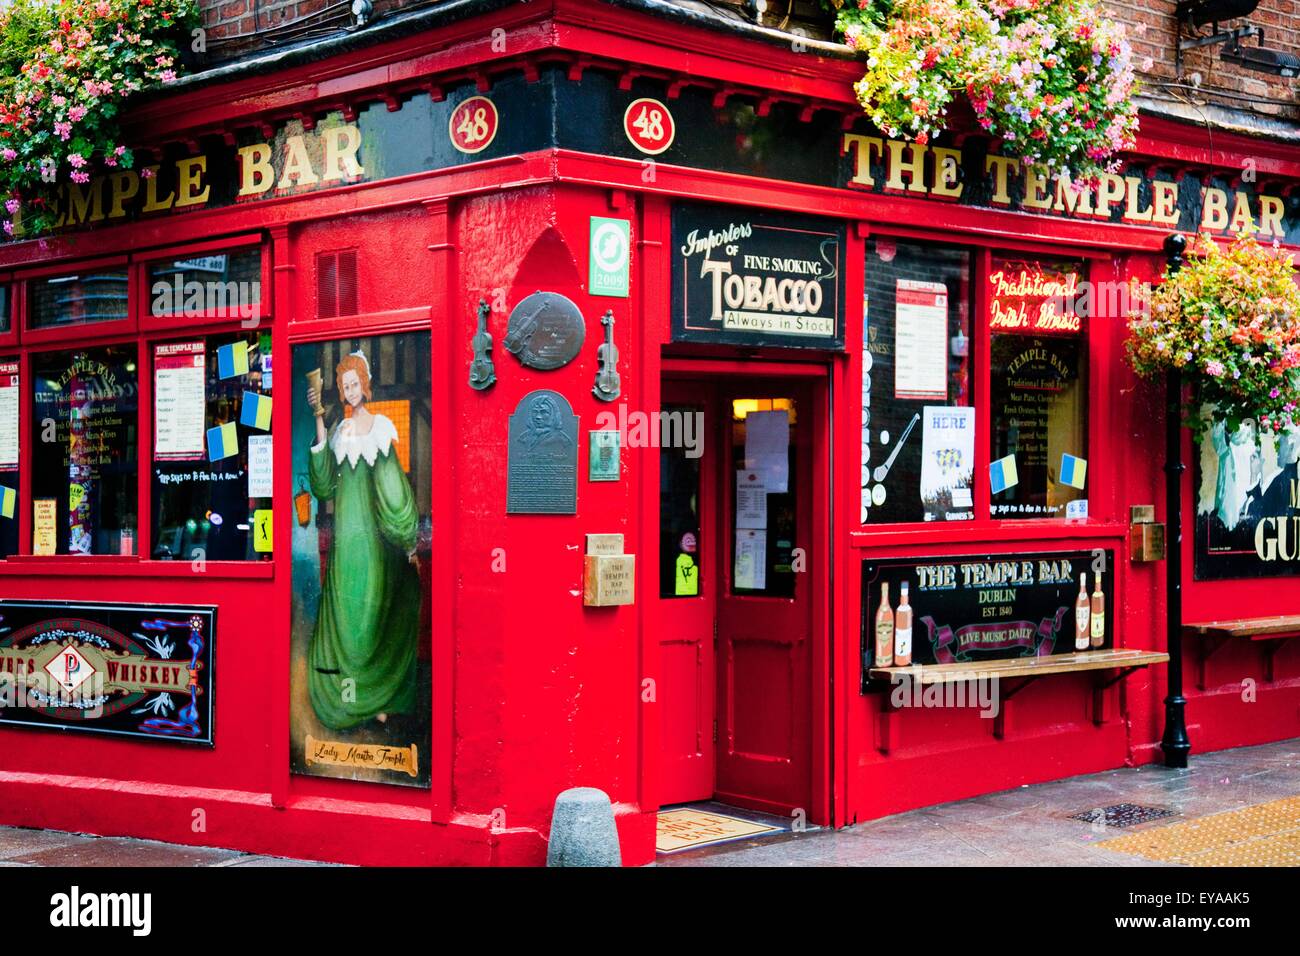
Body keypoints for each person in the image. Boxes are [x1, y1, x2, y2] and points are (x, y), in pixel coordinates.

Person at [305, 350, 420, 729]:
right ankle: (353, 700)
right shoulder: (340, 432)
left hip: (371, 545)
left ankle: (378, 700)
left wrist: (406, 539)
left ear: (365, 386)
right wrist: (320, 419)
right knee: (349, 620)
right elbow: (322, 487)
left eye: (354, 384)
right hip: (345, 547)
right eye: (344, 386)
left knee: (368, 621)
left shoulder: (381, 428)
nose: (350, 390)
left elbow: (393, 491)